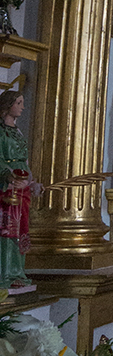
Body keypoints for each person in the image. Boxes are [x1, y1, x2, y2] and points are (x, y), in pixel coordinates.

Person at [0, 90, 34, 290]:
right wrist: (7, 174)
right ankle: (5, 272)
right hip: (7, 186)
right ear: (8, 104)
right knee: (7, 228)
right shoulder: (1, 131)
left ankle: (17, 271)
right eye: (19, 103)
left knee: (21, 228)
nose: (22, 107)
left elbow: (25, 160)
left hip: (22, 187)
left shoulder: (18, 131)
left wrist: (31, 180)